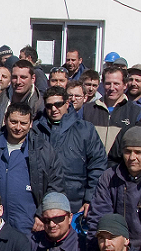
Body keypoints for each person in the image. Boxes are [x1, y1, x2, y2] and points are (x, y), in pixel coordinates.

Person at [0, 102, 65, 235]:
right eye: (14, 122)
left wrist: (42, 213)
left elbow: (56, 184)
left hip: (30, 224)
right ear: (5, 120)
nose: (18, 127)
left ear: (31, 124)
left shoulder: (43, 149)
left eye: (23, 123)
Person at [33, 86, 106, 214]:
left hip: (76, 202)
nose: (54, 109)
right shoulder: (36, 130)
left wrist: (90, 199)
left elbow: (97, 165)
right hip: (42, 203)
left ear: (67, 103)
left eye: (58, 104)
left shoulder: (85, 129)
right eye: (49, 106)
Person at [81, 65, 141, 152]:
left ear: (125, 85)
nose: (111, 88)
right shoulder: (87, 110)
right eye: (108, 83)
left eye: (116, 84)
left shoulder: (136, 112)